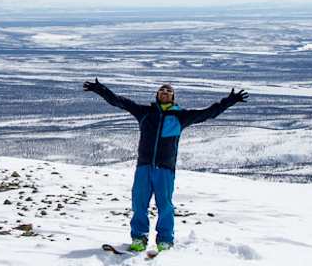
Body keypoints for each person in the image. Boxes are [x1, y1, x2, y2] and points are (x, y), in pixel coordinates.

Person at [83, 79, 248, 253]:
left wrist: (229, 101)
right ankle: (139, 238)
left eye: (168, 91)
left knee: (165, 206)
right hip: (144, 167)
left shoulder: (181, 117)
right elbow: (119, 101)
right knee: (139, 204)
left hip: (165, 169)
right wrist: (100, 89)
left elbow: (209, 113)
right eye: (162, 90)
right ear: (157, 95)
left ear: (173, 97)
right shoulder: (145, 112)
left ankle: (165, 240)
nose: (165, 92)